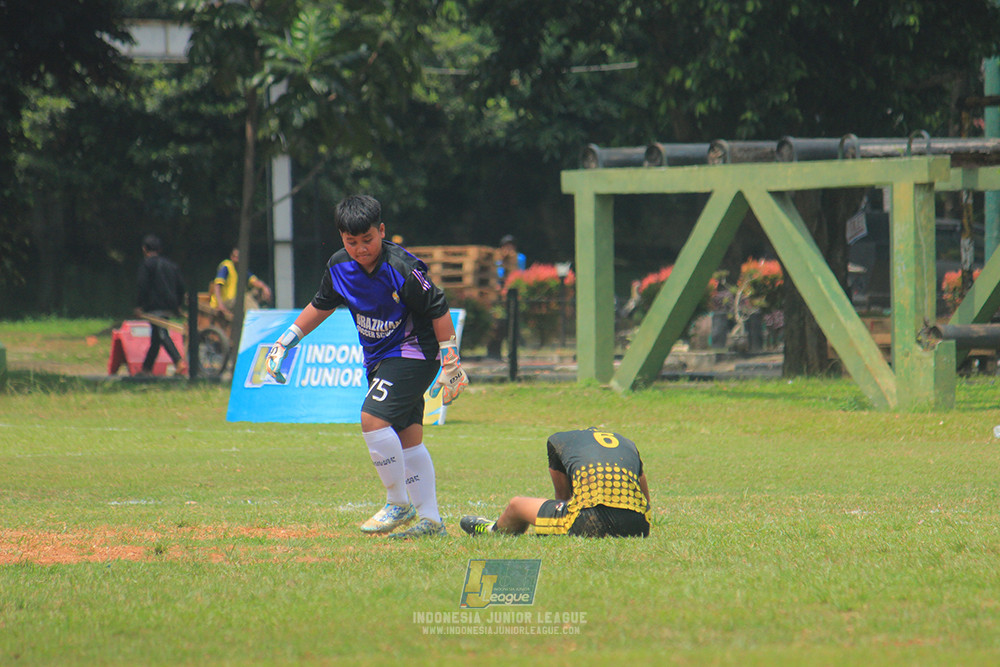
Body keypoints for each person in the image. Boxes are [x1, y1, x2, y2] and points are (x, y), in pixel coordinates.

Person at [264, 194, 469, 539]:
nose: (361, 248)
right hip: (377, 357)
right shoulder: (338, 267)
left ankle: (397, 502)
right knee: (408, 438)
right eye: (351, 241)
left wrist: (451, 362)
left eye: (368, 240)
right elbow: (321, 304)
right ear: (342, 238)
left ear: (382, 231)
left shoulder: (401, 267)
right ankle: (431, 521)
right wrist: (286, 340)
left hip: (415, 352)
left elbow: (437, 306)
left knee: (372, 418)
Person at [459, 427, 651, 538]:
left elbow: (562, 497)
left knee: (516, 504)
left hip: (591, 520)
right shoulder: (627, 443)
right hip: (639, 525)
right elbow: (645, 499)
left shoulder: (558, 441)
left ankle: (491, 529)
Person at [135, 234, 187, 376]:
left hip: (155, 306)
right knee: (156, 338)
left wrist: (139, 306)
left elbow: (142, 286)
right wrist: (178, 304)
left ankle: (178, 361)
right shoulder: (171, 265)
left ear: (144, 249)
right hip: (170, 306)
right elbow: (181, 286)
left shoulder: (147, 265)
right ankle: (146, 369)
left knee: (161, 334)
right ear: (160, 249)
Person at [209, 247, 273, 321]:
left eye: (239, 257)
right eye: (235, 257)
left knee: (258, 290)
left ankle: (262, 310)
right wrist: (220, 305)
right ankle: (256, 318)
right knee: (244, 298)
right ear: (231, 257)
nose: (237, 259)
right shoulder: (226, 267)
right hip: (226, 302)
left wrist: (265, 288)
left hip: (236, 301)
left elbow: (255, 281)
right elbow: (217, 286)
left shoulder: (241, 269)